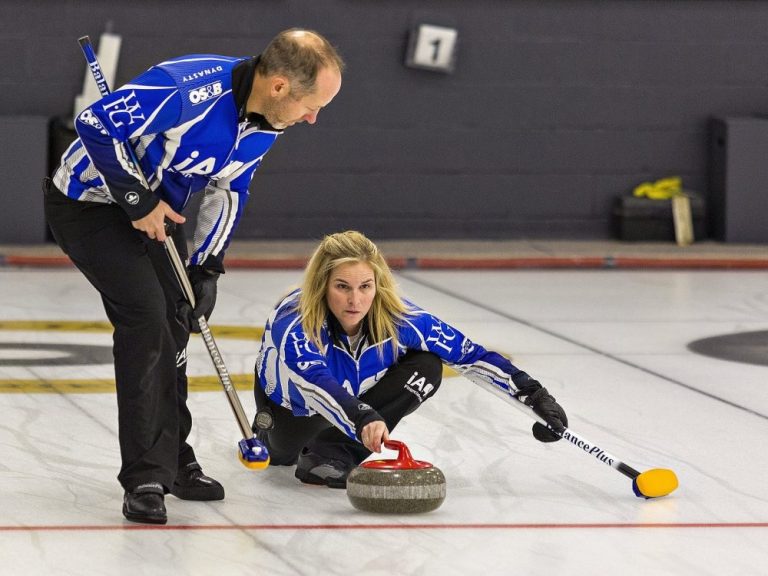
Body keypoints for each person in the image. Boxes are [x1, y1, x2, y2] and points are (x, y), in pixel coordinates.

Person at [43, 29, 344, 524]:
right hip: (89, 205)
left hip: (160, 214)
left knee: (178, 320)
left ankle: (176, 461)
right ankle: (144, 476)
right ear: (279, 86)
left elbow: (229, 189)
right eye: (312, 105)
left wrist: (207, 265)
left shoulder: (269, 122)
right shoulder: (187, 89)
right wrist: (136, 200)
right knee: (146, 317)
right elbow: (94, 123)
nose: (313, 118)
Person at [252, 231, 568, 488]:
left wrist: (534, 395)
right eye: (342, 287)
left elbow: (469, 355)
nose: (355, 300)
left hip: (355, 406)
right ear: (322, 286)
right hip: (292, 411)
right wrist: (364, 417)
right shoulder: (293, 320)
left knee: (427, 366)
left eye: (365, 287)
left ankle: (331, 454)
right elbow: (314, 382)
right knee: (281, 455)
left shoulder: (401, 318)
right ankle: (277, 436)